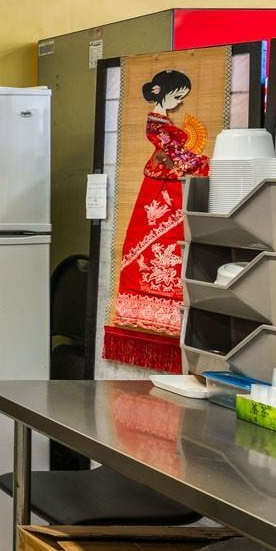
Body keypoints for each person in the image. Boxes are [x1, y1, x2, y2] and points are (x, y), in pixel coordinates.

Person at [104, 69, 210, 371]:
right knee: (152, 239)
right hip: (160, 185)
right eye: (177, 96)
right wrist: (203, 164)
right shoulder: (156, 123)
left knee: (175, 242)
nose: (180, 102)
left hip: (172, 184)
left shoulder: (164, 123)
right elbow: (173, 152)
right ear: (163, 93)